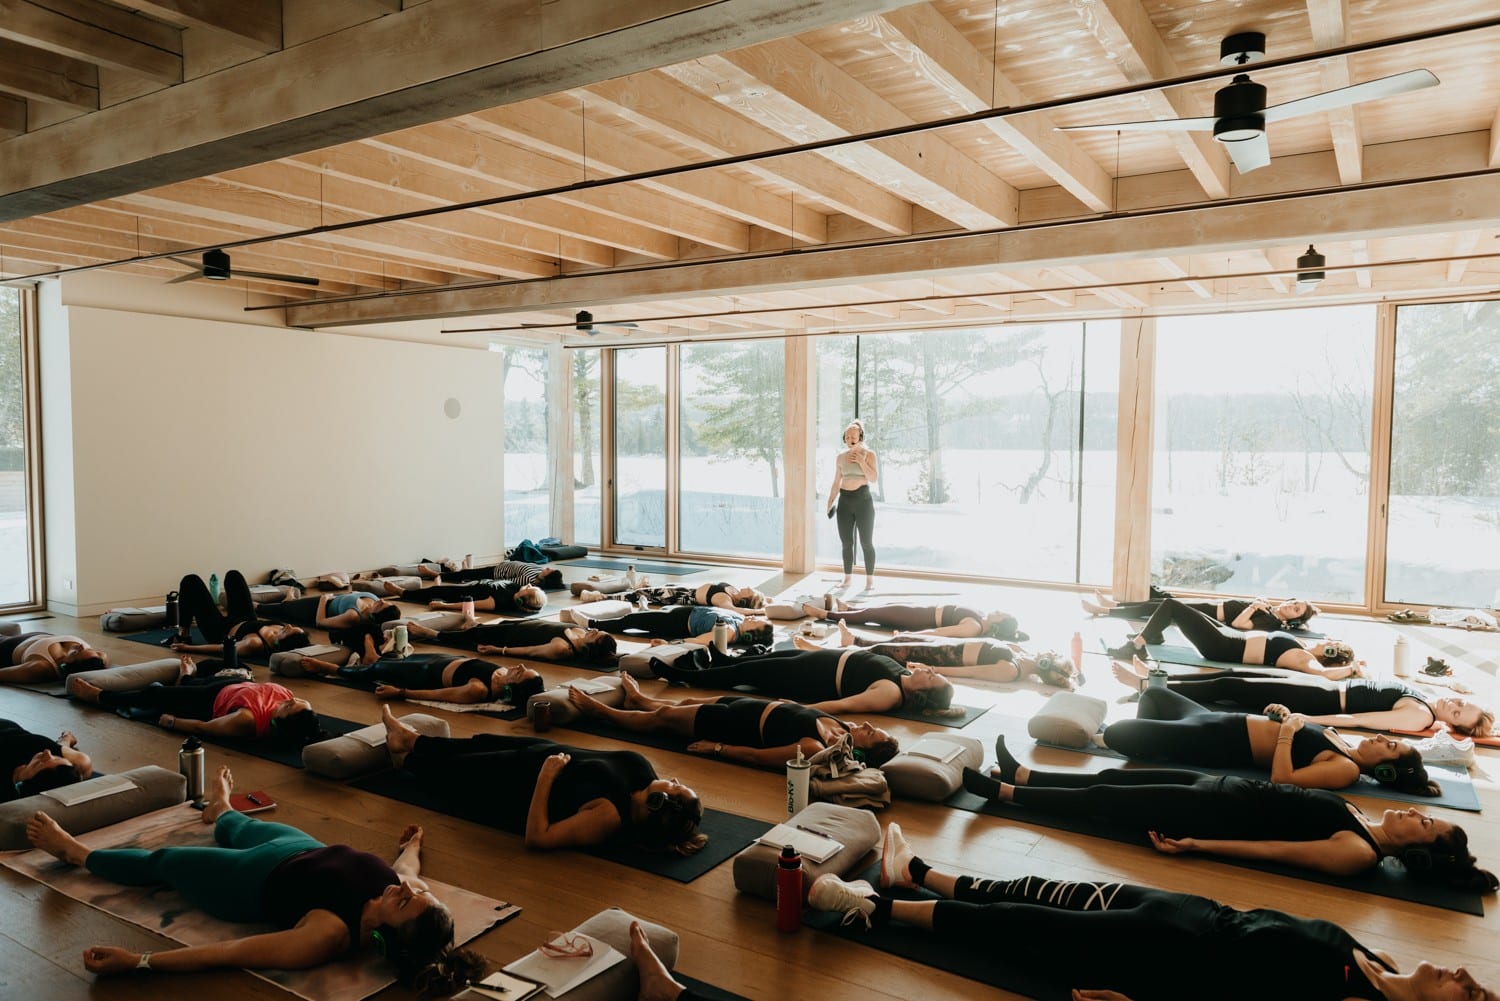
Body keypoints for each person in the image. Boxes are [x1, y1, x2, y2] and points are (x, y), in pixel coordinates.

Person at [807, 824, 1496, 1001]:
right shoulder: (1379, 963)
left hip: (1165, 955)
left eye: (1469, 994)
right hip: (1192, 911)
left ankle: (880, 906)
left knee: (1022, 926)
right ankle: (917, 872)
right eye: (1476, 981)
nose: (1465, 974)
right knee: (1044, 889)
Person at [25, 765, 481, 990]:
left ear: (383, 938)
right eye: (417, 894)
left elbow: (229, 952)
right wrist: (413, 845)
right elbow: (407, 871)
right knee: (232, 824)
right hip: (299, 846)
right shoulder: (404, 890)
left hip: (246, 881)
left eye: (405, 901)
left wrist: (138, 962)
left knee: (165, 860)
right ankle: (221, 807)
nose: (407, 889)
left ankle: (77, 853)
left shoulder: (328, 935)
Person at [958, 736, 1494, 887]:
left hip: (1207, 814)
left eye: (1425, 825)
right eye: (1426, 814)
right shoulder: (1360, 814)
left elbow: (1273, 851)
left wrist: (1197, 846)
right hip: (1218, 786)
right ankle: (1024, 774)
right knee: (1112, 778)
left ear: (1417, 853)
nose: (1416, 816)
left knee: (1101, 802)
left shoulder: (1359, 852)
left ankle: (1005, 795)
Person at [381, 707, 706, 854]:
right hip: (538, 753)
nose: (674, 779)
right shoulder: (643, 776)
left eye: (676, 787)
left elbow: (538, 837)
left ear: (658, 803)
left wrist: (547, 776)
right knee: (477, 744)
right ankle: (410, 739)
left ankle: (405, 758)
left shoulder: (608, 817)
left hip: (518, 784)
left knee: (455, 772)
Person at [1099, 687, 1439, 795]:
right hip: (1213, 718)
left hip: (1215, 740)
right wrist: (1282, 714)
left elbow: (1282, 778)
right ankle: (1155, 743)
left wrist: (1287, 733)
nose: (1381, 738)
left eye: (1389, 746)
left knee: (1115, 733)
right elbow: (1292, 728)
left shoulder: (1345, 769)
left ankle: (1157, 741)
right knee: (1154, 693)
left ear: (1384, 771)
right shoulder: (1341, 742)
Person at [567, 673, 900, 768]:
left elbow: (758, 756)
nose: (869, 725)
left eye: (873, 734)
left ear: (861, 752)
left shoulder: (815, 748)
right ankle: (639, 700)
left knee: (663, 718)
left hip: (732, 726)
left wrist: (717, 748)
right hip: (745, 706)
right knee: (684, 702)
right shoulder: (839, 727)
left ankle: (601, 712)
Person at [1112, 658, 1495, 737]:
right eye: (1461, 703)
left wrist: (1305, 719)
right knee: (1233, 676)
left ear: (1450, 726)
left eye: (1458, 714)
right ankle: (1157, 678)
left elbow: (1357, 721)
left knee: (1231, 688)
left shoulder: (1419, 716)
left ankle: (1147, 687)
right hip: (1320, 687)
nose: (1454, 705)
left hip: (1319, 701)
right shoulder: (1429, 697)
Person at [71, 658, 326, 747]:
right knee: (229, 665)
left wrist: (173, 722)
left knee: (155, 694)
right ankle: (186, 678)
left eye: (289, 707)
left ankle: (99, 696)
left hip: (208, 700)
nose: (291, 700)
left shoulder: (247, 721)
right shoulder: (287, 699)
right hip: (231, 684)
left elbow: (205, 728)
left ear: (278, 722)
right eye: (298, 701)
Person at [651, 647, 955, 716]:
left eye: (931, 677)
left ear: (922, 694)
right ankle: (721, 660)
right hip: (817, 660)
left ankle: (680, 676)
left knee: (745, 676)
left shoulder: (890, 693)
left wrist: (800, 708)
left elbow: (844, 705)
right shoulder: (903, 675)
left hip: (809, 677)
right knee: (756, 662)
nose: (928, 670)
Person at [1107, 597, 1360, 679]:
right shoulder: (1302, 646)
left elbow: (1325, 674)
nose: (1330, 641)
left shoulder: (1304, 659)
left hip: (1222, 645)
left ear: (1329, 654)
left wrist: (1352, 668)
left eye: (1333, 646)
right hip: (1228, 634)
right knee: (1175, 607)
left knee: (1172, 606)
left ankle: (1136, 646)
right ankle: (1147, 638)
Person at [798, 620, 1079, 689]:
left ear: (1046, 664)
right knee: (899, 639)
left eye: (1053, 655)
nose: (1049, 650)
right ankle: (852, 639)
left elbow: (970, 672)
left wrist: (930, 669)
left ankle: (822, 651)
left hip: (941, 657)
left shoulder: (1011, 670)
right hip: (944, 646)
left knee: (882, 652)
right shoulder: (1022, 655)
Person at [299, 652, 545, 706]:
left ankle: (332, 668)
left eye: (520, 673)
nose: (520, 666)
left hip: (425, 672)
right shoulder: (503, 675)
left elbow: (439, 695)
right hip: (443, 658)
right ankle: (371, 655)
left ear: (512, 688)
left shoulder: (478, 690)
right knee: (393, 658)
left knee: (375, 670)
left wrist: (400, 693)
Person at [166, 570, 309, 658]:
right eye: (293, 627)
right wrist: (289, 598)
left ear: (282, 642)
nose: (288, 626)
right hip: (244, 617)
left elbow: (222, 648)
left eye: (289, 631)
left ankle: (184, 635)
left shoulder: (255, 643)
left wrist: (188, 648)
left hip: (220, 631)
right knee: (233, 575)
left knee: (191, 581)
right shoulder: (280, 629)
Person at [404, 618, 617, 666]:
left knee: (468, 637)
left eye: (595, 635)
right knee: (479, 629)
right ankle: (473, 625)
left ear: (591, 646)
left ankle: (433, 634)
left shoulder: (562, 649)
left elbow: (530, 651)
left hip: (511, 637)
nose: (594, 630)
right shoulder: (581, 631)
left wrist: (499, 650)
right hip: (523, 625)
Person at [800, 598, 1026, 643]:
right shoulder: (980, 617)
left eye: (1002, 614)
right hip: (922, 611)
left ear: (998, 624)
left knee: (875, 615)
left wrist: (909, 635)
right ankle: (850, 609)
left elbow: (939, 634)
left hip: (918, 620)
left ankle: (826, 615)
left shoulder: (973, 627)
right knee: (880, 610)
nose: (999, 610)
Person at [1084, 589, 1319, 631]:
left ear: (1294, 620)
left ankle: (1104, 611)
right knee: (1157, 602)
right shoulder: (1270, 608)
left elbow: (1239, 625)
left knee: (1154, 609)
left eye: (1296, 609)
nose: (1291, 605)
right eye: (1294, 602)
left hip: (1211, 615)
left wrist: (1253, 607)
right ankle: (1111, 605)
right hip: (1211, 605)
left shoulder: (1272, 622)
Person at [825, 419, 878, 590]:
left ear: (860, 437)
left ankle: (869, 580)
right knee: (846, 543)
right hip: (845, 502)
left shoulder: (869, 454)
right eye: (847, 437)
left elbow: (873, 478)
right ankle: (847, 578)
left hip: (863, 501)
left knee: (866, 543)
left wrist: (862, 461)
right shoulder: (840, 457)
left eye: (853, 437)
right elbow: (836, 482)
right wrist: (830, 501)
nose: (850, 440)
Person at [571, 605, 774, 648]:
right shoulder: (740, 621)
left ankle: (591, 623)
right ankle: (644, 609)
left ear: (751, 635)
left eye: (756, 622)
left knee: (631, 621)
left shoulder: (728, 632)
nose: (753, 618)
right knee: (643, 617)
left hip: (676, 624)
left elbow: (700, 641)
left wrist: (670, 644)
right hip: (681, 613)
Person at [1, 718, 93, 802]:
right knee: (83, 763)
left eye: (42, 762)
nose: (46, 752)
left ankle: (63, 744)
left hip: (9, 738)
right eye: (57, 757)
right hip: (13, 733)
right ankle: (65, 741)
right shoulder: (39, 747)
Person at [0, 632, 109, 686]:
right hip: (36, 634)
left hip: (6, 646)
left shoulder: (40, 668)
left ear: (68, 663)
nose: (81, 646)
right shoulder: (98, 658)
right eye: (89, 649)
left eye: (77, 652)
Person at [397, 579, 546, 615]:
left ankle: (403, 593)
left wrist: (444, 606)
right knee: (437, 589)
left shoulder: (500, 601)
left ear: (523, 597)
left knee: (436, 590)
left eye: (529, 588)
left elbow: (471, 605)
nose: (528, 585)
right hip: (473, 584)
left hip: (463, 593)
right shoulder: (516, 589)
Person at [582, 582, 765, 611]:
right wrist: (766, 603)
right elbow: (765, 601)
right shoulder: (733, 591)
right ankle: (603, 594)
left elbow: (737, 611)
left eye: (750, 591)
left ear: (744, 600)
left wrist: (759, 612)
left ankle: (599, 597)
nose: (749, 587)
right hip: (683, 589)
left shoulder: (724, 600)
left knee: (637, 595)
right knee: (646, 591)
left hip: (677, 596)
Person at [441, 559, 565, 591]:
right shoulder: (539, 569)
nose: (548, 568)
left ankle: (440, 575)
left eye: (550, 571)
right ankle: (464, 572)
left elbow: (506, 583)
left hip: (495, 573)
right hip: (501, 566)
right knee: (470, 573)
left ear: (547, 578)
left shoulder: (528, 579)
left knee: (468, 574)